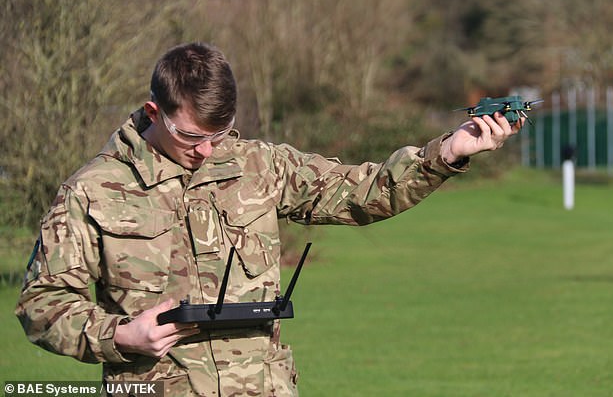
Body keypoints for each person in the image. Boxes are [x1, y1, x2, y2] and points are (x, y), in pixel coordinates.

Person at [16, 42, 522, 396]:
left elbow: (362, 192)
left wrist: (448, 152)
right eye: (192, 136)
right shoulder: (93, 191)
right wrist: (121, 335)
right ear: (154, 112)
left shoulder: (259, 166)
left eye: (220, 133)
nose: (208, 150)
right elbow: (41, 305)